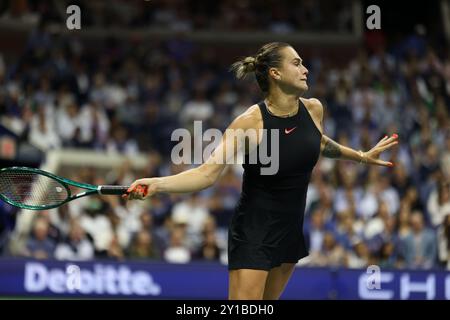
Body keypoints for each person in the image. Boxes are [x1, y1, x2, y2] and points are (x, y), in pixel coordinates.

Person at [123, 42, 399, 300]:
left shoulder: (314, 109)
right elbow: (206, 174)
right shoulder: (249, 123)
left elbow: (319, 142)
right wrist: (157, 185)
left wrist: (361, 156)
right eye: (297, 63)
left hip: (290, 230)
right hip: (254, 231)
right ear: (275, 73)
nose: (305, 69)